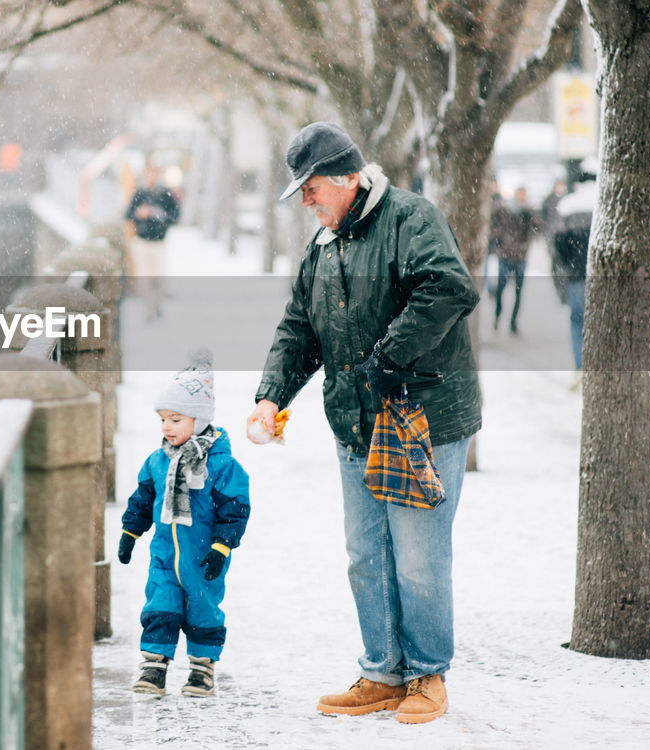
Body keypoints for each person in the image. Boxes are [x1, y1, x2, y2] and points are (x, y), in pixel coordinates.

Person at [247, 121, 480, 725]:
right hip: (356, 425)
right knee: (366, 555)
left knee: (419, 558)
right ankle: (381, 672)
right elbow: (299, 327)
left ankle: (427, 675)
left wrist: (389, 356)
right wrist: (271, 396)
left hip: (419, 420)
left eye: (312, 187)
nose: (306, 201)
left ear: (349, 178)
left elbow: (449, 288)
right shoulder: (324, 244)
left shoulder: (410, 219)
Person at [117, 348, 250, 698]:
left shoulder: (221, 465)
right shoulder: (158, 461)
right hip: (164, 554)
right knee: (160, 606)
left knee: (203, 611)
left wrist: (222, 547)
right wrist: (130, 531)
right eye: (163, 419)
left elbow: (235, 509)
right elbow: (143, 499)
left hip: (203, 555)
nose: (166, 427)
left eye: (175, 420)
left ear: (199, 419)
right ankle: (154, 666)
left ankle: (202, 669)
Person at [549, 184, 594, 390]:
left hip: (576, 277)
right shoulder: (600, 203)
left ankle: (580, 366)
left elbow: (557, 243)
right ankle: (594, 365)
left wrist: (570, 262)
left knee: (577, 321)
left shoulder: (568, 205)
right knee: (596, 324)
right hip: (597, 277)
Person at [125, 163, 180, 320]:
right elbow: (128, 214)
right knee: (145, 277)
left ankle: (156, 304)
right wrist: (139, 214)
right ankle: (149, 308)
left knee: (158, 276)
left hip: (159, 241)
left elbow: (175, 217)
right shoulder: (139, 193)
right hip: (142, 241)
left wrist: (156, 214)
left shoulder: (165, 194)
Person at [488, 186, 542, 334]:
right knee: (501, 289)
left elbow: (538, 226)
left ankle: (513, 322)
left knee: (518, 292)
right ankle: (498, 316)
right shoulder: (503, 210)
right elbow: (493, 222)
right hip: (506, 255)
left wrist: (530, 212)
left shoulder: (527, 212)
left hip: (519, 256)